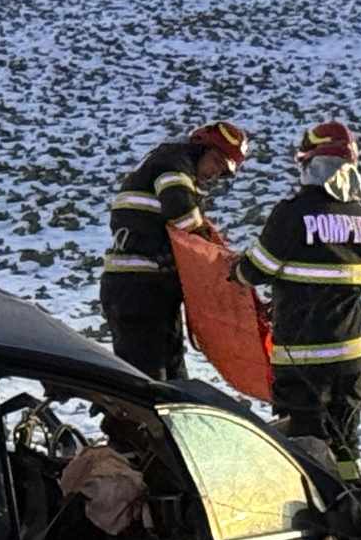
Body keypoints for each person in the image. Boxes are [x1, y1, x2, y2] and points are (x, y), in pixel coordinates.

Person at [233, 121, 361, 483]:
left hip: (303, 352)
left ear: (309, 166)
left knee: (304, 438)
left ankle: (313, 500)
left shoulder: (293, 213)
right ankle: (350, 494)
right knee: (345, 437)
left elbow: (257, 269)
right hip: (350, 353)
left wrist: (233, 270)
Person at [98, 121, 249, 380]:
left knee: (173, 379)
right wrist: (215, 254)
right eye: (216, 161)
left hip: (152, 290)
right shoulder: (173, 164)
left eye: (223, 171)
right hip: (137, 288)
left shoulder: (173, 167)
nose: (215, 173)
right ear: (200, 148)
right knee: (146, 382)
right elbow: (184, 218)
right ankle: (124, 420)